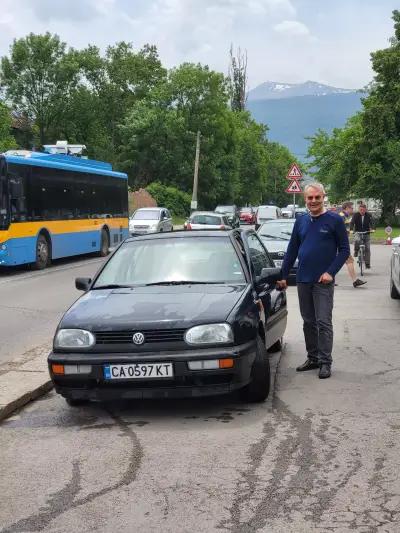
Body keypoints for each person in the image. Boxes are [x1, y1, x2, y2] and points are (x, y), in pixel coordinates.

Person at [277, 183, 350, 379]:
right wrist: (283, 275)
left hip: (323, 281)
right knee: (308, 322)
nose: (314, 201)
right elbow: (292, 249)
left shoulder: (334, 220)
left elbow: (344, 250)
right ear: (305, 199)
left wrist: (331, 272)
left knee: (323, 322)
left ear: (323, 197)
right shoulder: (300, 221)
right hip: (303, 279)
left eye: (317, 197)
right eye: (310, 198)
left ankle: (325, 362)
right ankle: (313, 358)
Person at [338, 202, 366, 288]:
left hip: (340, 242)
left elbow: (345, 229)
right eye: (351, 208)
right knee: (349, 260)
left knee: (332, 261)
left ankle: (328, 278)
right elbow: (338, 230)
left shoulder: (345, 216)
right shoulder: (341, 216)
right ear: (346, 208)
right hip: (340, 242)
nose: (353, 210)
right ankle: (355, 281)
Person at [350, 204, 374, 269]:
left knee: (367, 248)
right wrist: (351, 230)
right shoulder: (355, 215)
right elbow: (352, 223)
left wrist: (372, 229)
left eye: (363, 210)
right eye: (360, 210)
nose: (362, 211)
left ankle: (367, 263)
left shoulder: (369, 215)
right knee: (357, 240)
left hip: (366, 232)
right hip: (358, 232)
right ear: (358, 210)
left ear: (365, 210)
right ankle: (356, 250)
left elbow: (372, 223)